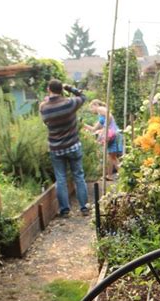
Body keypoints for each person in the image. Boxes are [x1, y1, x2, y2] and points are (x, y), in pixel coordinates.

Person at [40, 80, 89, 217]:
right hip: (73, 145)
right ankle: (84, 207)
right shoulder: (70, 103)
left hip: (56, 148)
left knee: (60, 179)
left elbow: (45, 122)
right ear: (61, 88)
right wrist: (69, 88)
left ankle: (65, 210)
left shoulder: (44, 107)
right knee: (79, 176)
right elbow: (83, 97)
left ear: (49, 89)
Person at [85, 99, 123, 179]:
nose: (91, 110)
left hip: (112, 133)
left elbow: (109, 116)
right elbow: (93, 129)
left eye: (91, 108)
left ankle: (123, 175)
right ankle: (109, 175)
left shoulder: (100, 108)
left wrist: (105, 128)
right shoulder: (100, 116)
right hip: (111, 134)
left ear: (95, 105)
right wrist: (83, 125)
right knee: (111, 156)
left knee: (112, 157)